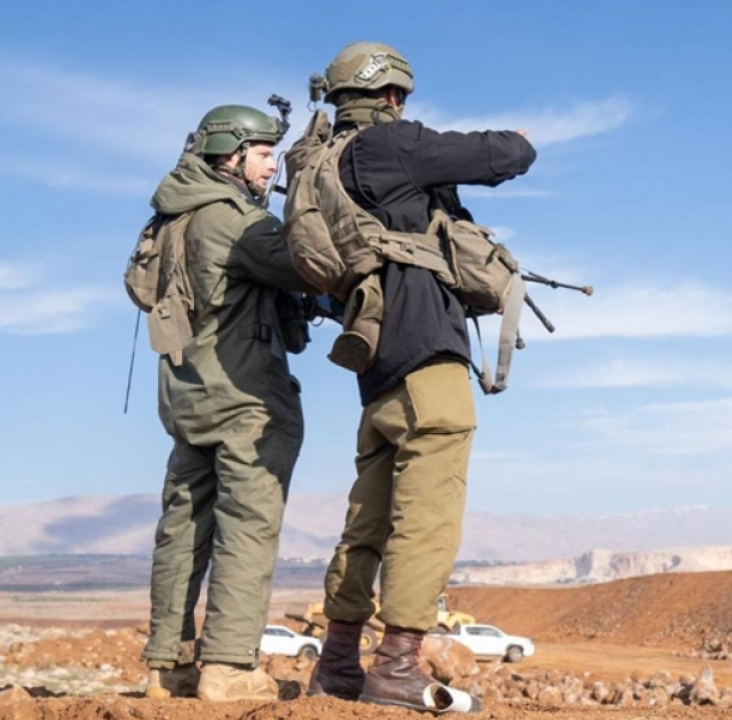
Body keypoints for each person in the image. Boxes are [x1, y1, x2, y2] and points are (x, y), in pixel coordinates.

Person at [301, 41, 536, 711]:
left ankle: (339, 662)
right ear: (392, 96)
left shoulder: (320, 168)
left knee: (367, 519)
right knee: (427, 514)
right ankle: (397, 663)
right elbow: (499, 156)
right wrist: (520, 143)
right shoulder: (386, 149)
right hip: (424, 354)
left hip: (373, 371)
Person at [139, 104, 318, 701]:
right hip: (244, 400)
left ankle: (168, 665)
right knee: (247, 526)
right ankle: (228, 667)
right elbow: (309, 262)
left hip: (187, 399)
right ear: (229, 155)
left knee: (182, 530)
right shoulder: (235, 221)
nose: (273, 167)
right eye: (265, 154)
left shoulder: (171, 218)